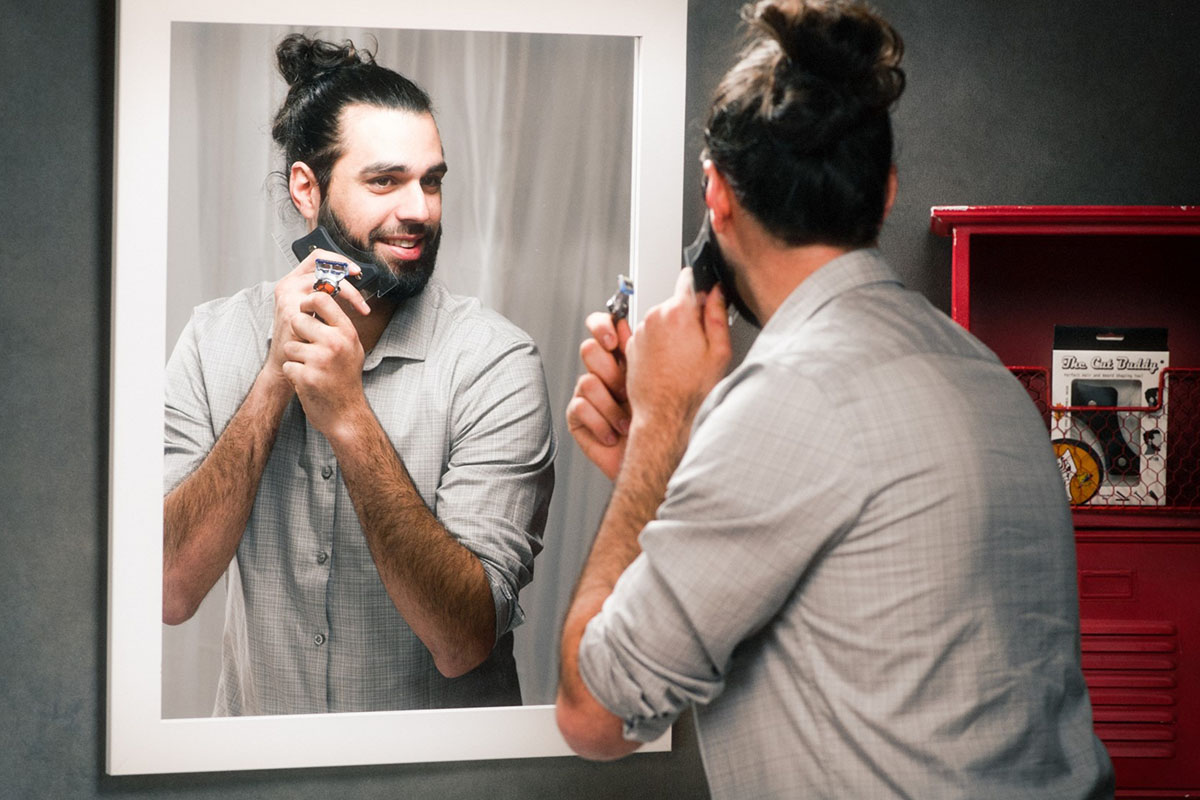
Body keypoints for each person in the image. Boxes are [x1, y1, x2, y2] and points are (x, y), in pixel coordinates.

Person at [555, 1, 1114, 797]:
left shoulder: (790, 396)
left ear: (715, 195)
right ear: (884, 192)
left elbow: (594, 713)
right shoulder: (985, 376)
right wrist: (671, 475)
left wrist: (659, 429)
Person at [162, 34, 555, 716]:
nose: (420, 210)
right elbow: (168, 589)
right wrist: (273, 381)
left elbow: (463, 640)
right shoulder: (210, 341)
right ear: (307, 190)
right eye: (385, 181)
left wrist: (348, 417)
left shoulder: (496, 362)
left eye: (431, 181)